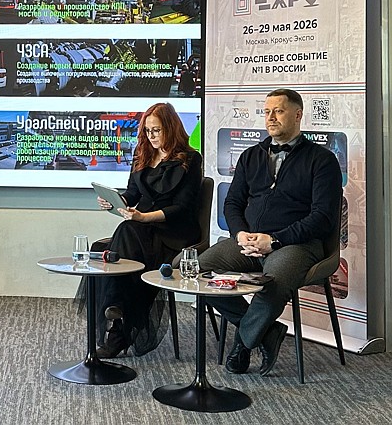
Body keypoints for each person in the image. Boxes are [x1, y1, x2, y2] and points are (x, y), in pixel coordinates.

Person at [199, 88, 342, 376]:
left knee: (272, 283)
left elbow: (323, 218)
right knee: (197, 272)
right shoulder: (250, 156)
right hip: (248, 242)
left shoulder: (322, 160)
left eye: (278, 111)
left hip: (296, 245)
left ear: (298, 115)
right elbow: (233, 203)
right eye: (267, 112)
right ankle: (267, 332)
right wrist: (240, 234)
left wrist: (275, 240)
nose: (270, 118)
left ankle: (243, 343)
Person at [84, 102, 203, 358]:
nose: (151, 136)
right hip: (141, 228)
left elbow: (182, 207)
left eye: (157, 130)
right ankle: (118, 319)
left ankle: (117, 320)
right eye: (148, 131)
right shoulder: (143, 155)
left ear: (171, 128)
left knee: (125, 234)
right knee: (103, 249)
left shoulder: (191, 159)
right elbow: (132, 194)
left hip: (173, 231)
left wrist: (144, 217)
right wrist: (116, 202)